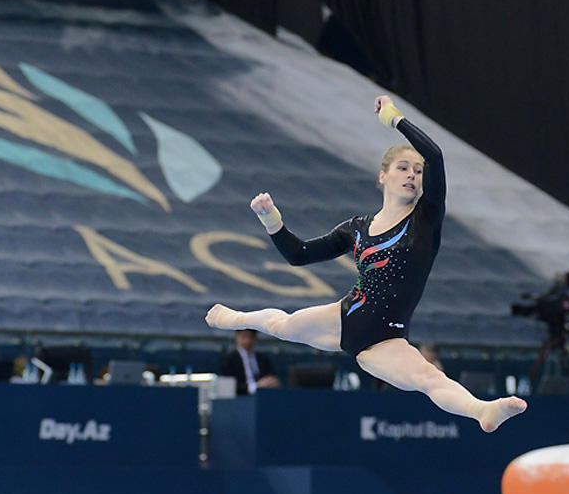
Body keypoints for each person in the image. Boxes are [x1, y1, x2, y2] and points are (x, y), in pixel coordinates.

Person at [206, 95, 526, 433]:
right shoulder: (356, 228)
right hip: (345, 316)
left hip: (384, 339)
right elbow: (298, 255)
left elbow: (435, 155)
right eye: (403, 168)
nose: (413, 175)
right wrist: (271, 219)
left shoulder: (426, 220)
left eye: (417, 171)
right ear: (383, 176)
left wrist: (393, 118)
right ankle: (236, 318)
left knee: (428, 377)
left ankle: (482, 410)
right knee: (283, 326)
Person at [219, 329, 281, 396]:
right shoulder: (229, 359)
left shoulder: (263, 359)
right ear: (237, 337)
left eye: (251, 337)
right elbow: (228, 385)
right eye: (244, 337)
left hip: (262, 396)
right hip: (239, 398)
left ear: (255, 339)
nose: (247, 341)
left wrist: (271, 381)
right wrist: (255, 387)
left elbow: (271, 377)